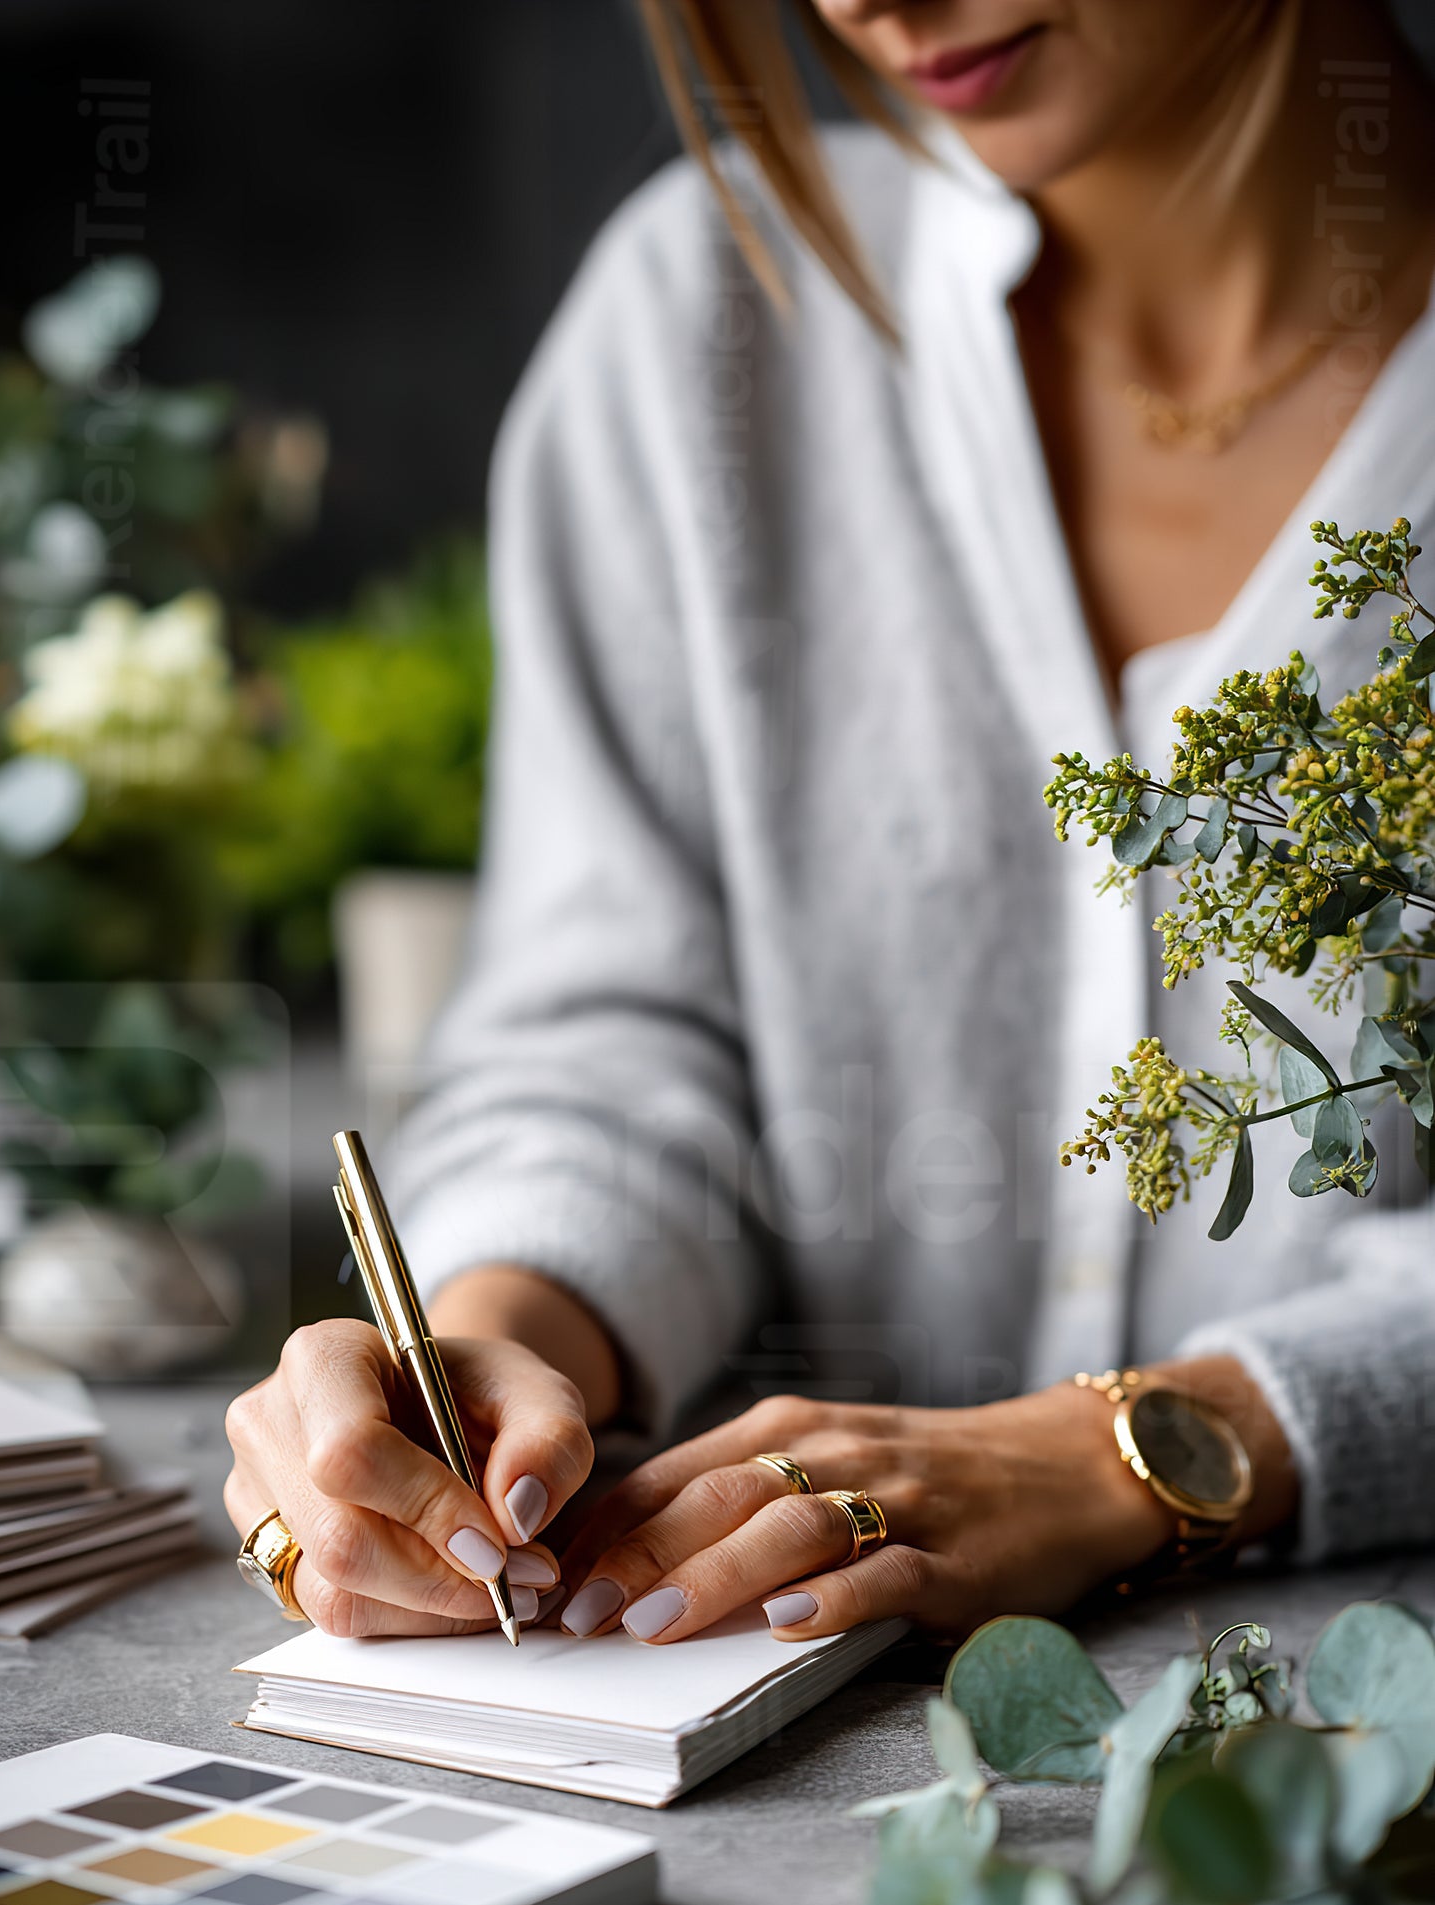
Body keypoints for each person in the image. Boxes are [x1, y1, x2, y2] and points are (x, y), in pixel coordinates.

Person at [225, 0, 1435, 1649]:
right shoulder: (707, 326)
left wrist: (1159, 1449)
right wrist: (503, 1334)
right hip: (769, 1768)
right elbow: (615, 1030)